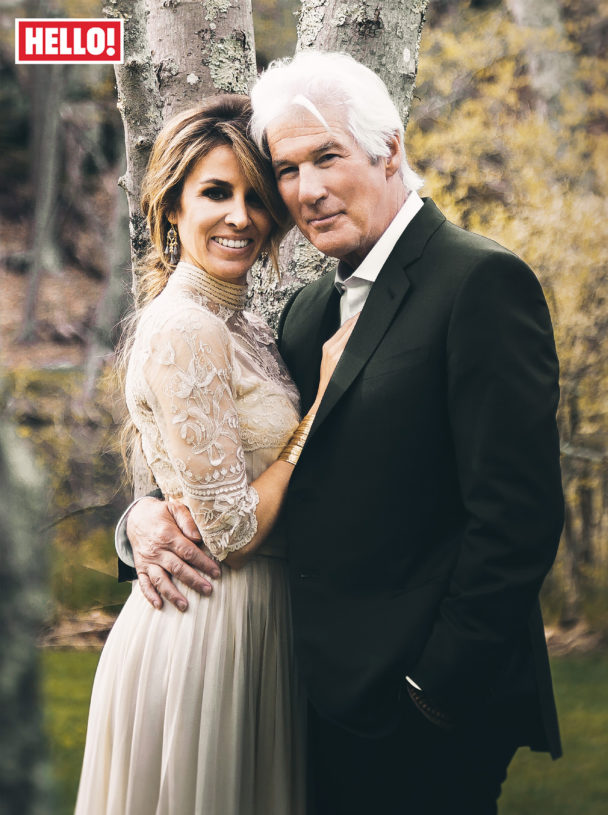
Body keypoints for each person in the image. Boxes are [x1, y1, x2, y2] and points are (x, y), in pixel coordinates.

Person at [118, 52, 565, 814]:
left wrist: (435, 688)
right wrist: (140, 519)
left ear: (389, 148)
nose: (307, 190)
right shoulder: (305, 309)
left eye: (327, 157)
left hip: (422, 709)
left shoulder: (479, 282)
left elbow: (516, 515)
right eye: (287, 170)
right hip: (304, 693)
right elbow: (241, 459)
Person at [76, 93, 356, 815]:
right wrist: (317, 410)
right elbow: (228, 529)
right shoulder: (186, 326)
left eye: (257, 198)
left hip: (261, 621)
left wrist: (144, 510)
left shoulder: (248, 323)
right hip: (211, 626)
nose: (241, 216)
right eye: (216, 193)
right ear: (171, 206)